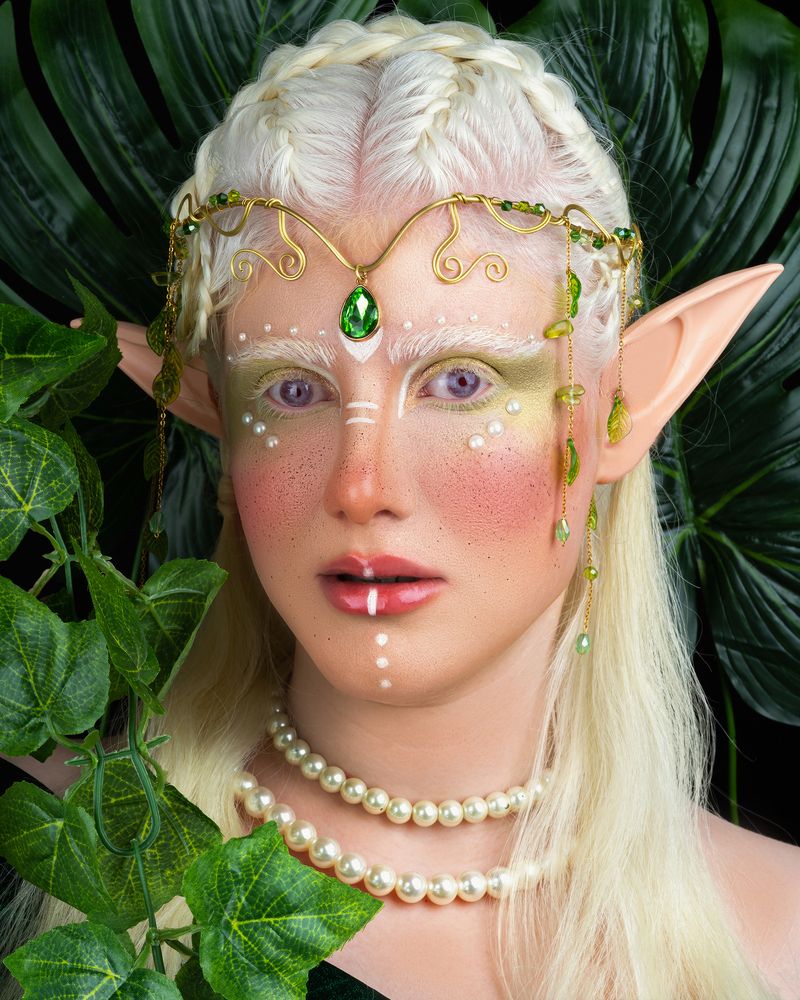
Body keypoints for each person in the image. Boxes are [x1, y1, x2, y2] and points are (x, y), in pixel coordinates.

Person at [5, 13, 799, 999]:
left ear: (621, 405)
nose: (363, 485)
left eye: (460, 382)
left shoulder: (778, 938)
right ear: (214, 414)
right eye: (292, 389)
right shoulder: (66, 855)